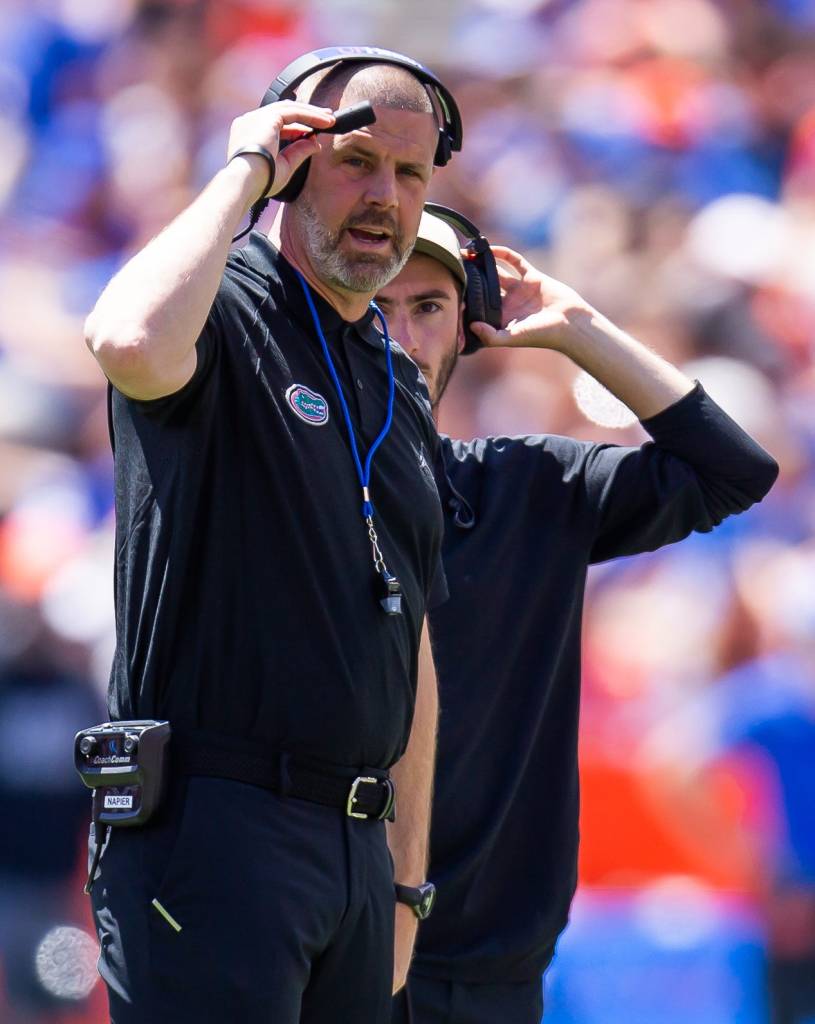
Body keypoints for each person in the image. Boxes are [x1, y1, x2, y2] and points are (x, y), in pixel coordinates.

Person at [82, 51, 457, 1024]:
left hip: (352, 856)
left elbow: (408, 638)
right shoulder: (221, 301)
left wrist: (405, 883)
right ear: (291, 157)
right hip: (216, 828)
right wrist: (242, 168)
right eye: (358, 161)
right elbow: (125, 340)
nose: (384, 197)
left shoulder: (395, 376)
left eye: (410, 175)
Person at [376, 210, 780, 1024]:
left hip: (487, 960)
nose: (401, 337)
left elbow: (731, 469)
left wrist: (575, 326)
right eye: (378, 306)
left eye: (428, 307)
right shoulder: (282, 499)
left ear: (468, 328)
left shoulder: (523, 487)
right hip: (322, 945)